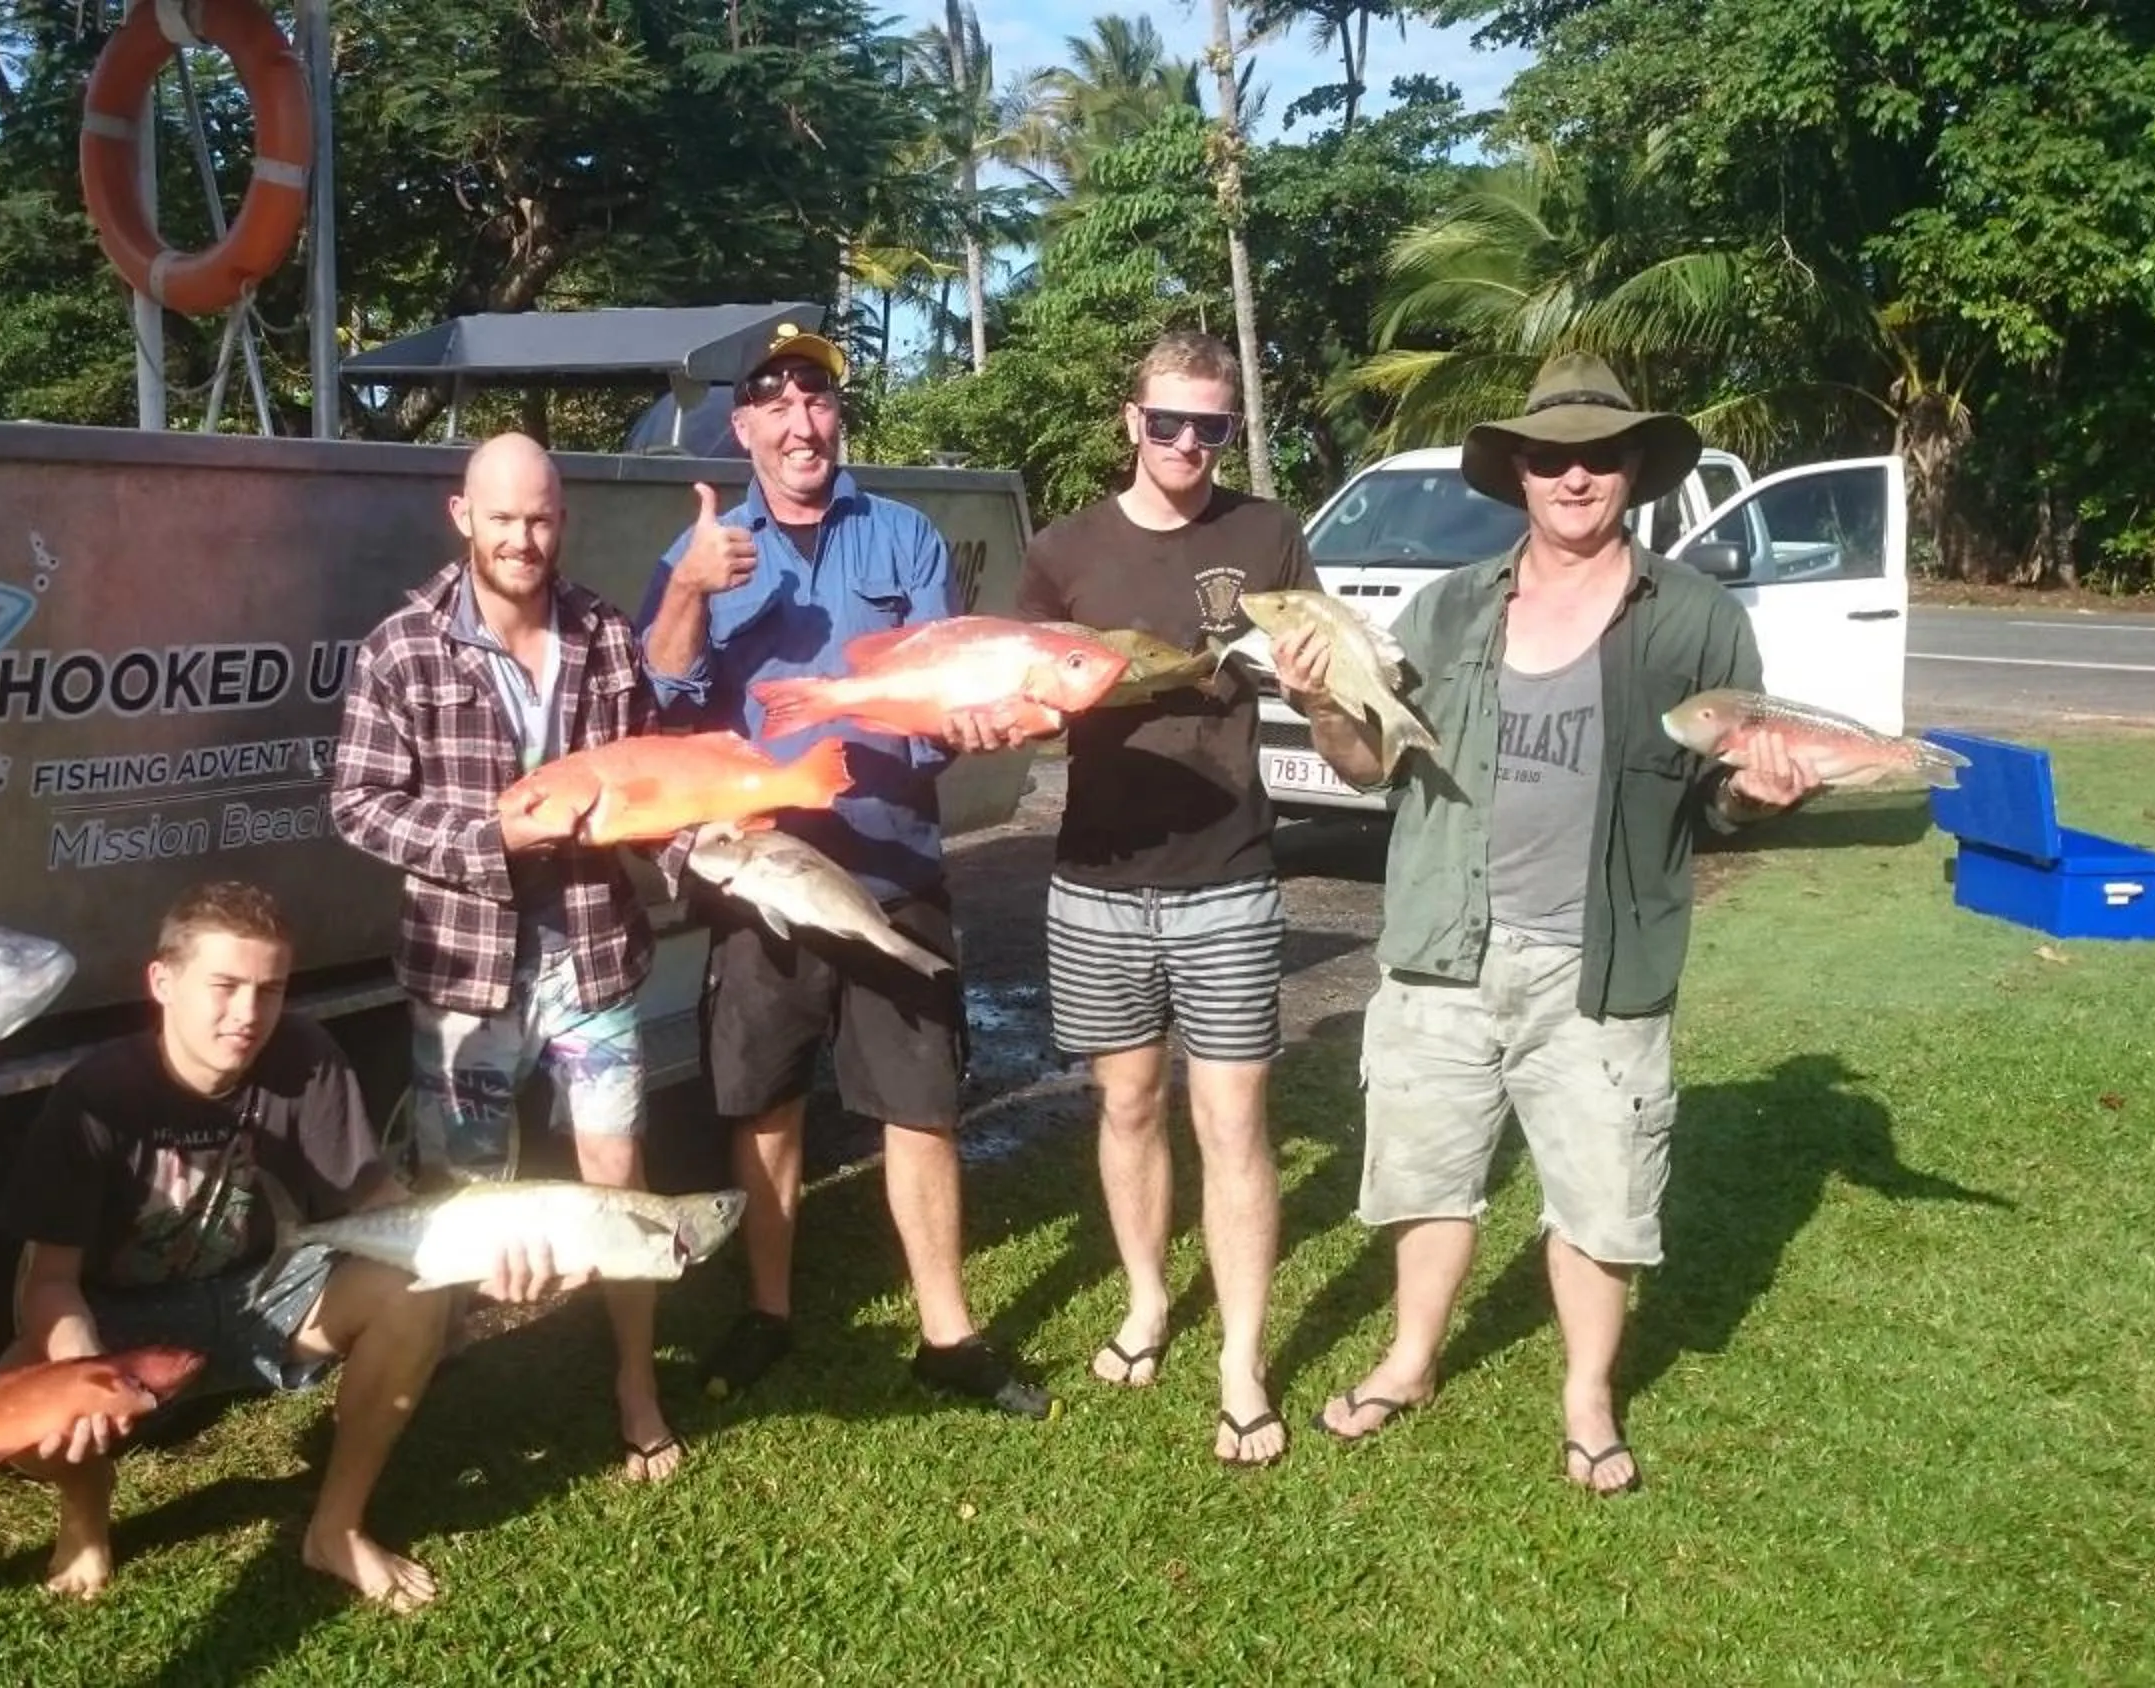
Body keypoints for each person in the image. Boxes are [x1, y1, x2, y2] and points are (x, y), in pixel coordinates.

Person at [1279, 354, 1820, 1492]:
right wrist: (1322, 698)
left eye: (1599, 454)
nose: (1575, 475)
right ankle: (1411, 1358)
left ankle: (1588, 1397)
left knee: (1603, 1189)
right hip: (1443, 946)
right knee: (1427, 1170)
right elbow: (1370, 762)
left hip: (1602, 961)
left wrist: (1756, 791)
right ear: (1518, 472)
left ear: (1633, 469)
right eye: (1551, 456)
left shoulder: (1698, 619)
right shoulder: (1446, 606)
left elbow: (1718, 794)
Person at [638, 323, 1054, 1420]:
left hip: (892, 861)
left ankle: (947, 1332)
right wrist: (688, 591)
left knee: (920, 1105)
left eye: (815, 397)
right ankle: (768, 1312)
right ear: (743, 428)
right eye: (772, 400)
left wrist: (967, 722)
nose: (797, 419)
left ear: (838, 416)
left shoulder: (906, 537)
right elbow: (665, 704)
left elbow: (938, 690)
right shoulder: (708, 550)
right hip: (760, 865)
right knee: (766, 1103)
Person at [0, 880, 583, 1610]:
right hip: (127, 1328)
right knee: (20, 1402)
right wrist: (80, 1375)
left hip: (264, 1293)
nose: (248, 1014)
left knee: (411, 1291)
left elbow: (383, 1207)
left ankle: (335, 1529)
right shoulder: (93, 1095)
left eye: (269, 991)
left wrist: (479, 1261)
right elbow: (48, 1282)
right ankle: (86, 1517)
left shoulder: (308, 1054)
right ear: (162, 981)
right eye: (225, 986)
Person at [327, 432, 687, 1482]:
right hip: (462, 970)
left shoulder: (607, 634)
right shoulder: (403, 645)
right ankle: (430, 1365)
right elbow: (357, 804)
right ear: (462, 517)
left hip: (593, 955)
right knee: (465, 1186)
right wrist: (493, 836)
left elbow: (647, 778)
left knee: (618, 1175)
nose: (522, 538)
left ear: (559, 519)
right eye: (502, 518)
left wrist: (694, 830)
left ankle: (633, 1377)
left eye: (539, 518)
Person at [1014, 330, 1318, 1468]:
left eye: (1213, 426)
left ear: (1230, 432)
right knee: (1129, 1105)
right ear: (1128, 422)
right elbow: (1036, 696)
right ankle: (1147, 1300)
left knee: (1234, 1121)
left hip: (1230, 873)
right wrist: (1008, 711)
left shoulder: (1268, 532)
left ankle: (1242, 1358)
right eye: (1169, 421)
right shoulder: (1062, 549)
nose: (1189, 443)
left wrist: (1324, 678)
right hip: (1095, 877)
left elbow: (1309, 651)